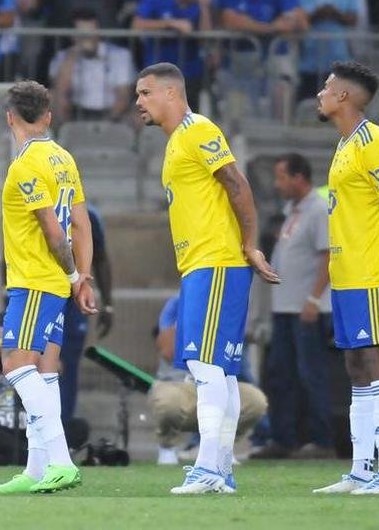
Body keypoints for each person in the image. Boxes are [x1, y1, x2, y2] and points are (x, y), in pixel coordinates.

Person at [134, 62, 278, 494]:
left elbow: (236, 182)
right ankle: (219, 469)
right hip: (203, 264)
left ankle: (211, 468)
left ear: (171, 94)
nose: (138, 101)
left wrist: (250, 242)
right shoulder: (178, 140)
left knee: (207, 367)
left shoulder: (198, 130)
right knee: (221, 372)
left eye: (145, 93)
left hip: (215, 262)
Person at [0, 80, 96, 496]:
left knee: (14, 364)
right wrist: (84, 277)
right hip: (57, 283)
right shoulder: (63, 157)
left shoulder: (25, 163)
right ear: (47, 116)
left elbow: (52, 229)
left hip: (35, 281)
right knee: (45, 373)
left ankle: (62, 461)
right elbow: (81, 224)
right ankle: (36, 469)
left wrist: (70, 277)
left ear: (9, 117)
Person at [312, 60, 379, 496]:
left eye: (325, 87)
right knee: (355, 363)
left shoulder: (375, 143)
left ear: (344, 96)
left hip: (370, 269)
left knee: (376, 359)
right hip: (345, 271)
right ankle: (361, 470)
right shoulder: (345, 144)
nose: (319, 94)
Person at [253, 154, 333, 460]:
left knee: (310, 374)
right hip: (284, 308)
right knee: (280, 374)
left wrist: (314, 299)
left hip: (307, 309)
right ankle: (282, 438)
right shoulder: (292, 211)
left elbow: (328, 257)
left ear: (299, 177)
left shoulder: (318, 209)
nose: (277, 184)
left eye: (281, 177)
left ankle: (321, 440)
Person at [0, 313, 91, 466]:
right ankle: (32, 458)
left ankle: (2, 458)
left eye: (13, 343)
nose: (8, 349)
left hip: (31, 431)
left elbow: (57, 369)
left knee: (78, 427)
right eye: (3, 342)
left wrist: (29, 355)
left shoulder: (32, 354)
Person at [148, 293, 267, 465]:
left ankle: (222, 447)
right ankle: (167, 446)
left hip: (219, 383)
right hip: (181, 384)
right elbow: (168, 350)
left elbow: (235, 356)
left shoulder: (229, 304)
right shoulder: (178, 302)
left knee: (255, 400)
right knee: (168, 401)